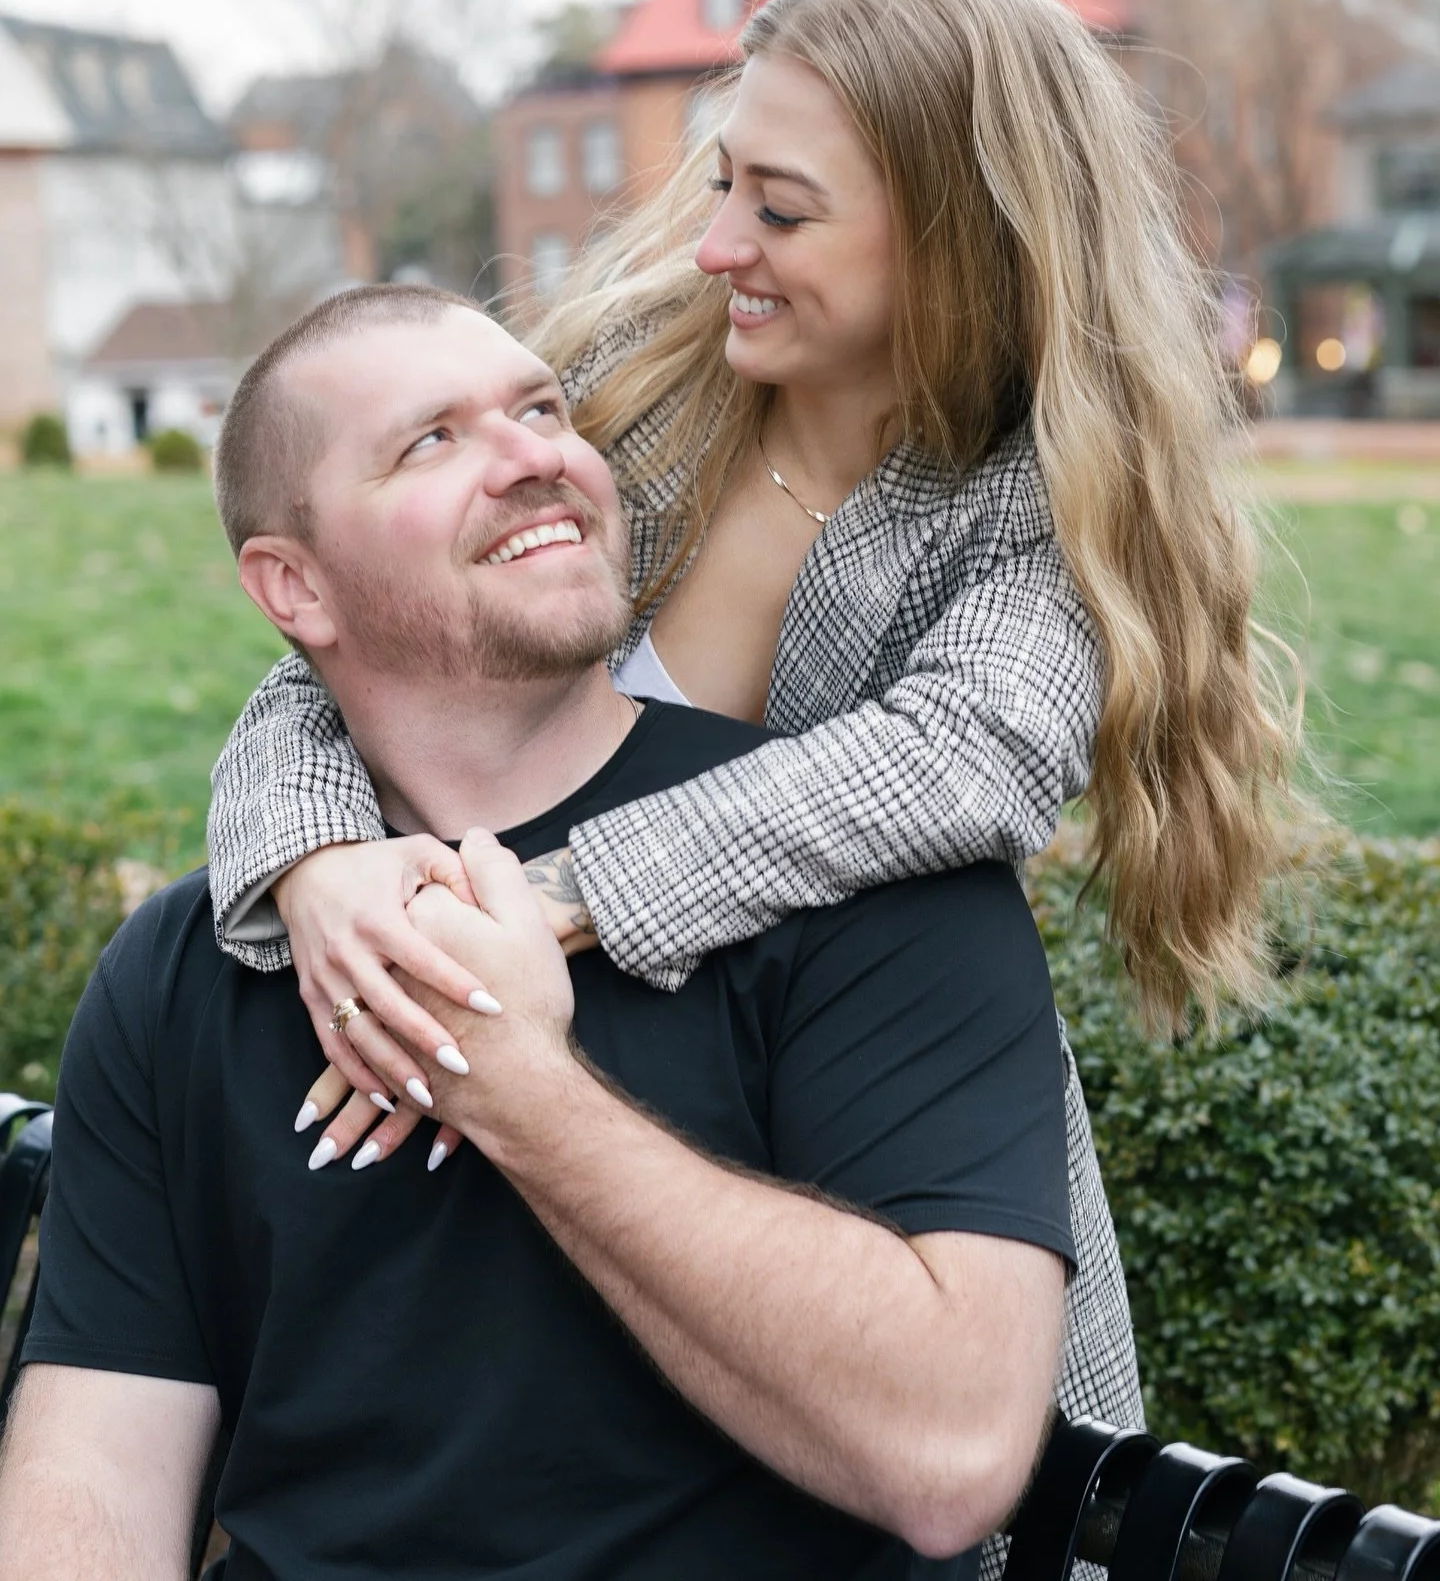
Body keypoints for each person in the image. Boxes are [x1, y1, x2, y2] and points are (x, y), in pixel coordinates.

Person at [206, 0, 1296, 1526]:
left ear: (963, 239)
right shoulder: (638, 393)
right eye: (723, 184)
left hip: (852, 1182)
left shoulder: (1035, 515)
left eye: (781, 212)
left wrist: (537, 906)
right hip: (522, 1158)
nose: (718, 244)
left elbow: (965, 757)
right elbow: (338, 636)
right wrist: (319, 869)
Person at [0, 294, 1072, 1581]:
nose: (534, 455)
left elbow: (951, 1457)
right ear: (295, 585)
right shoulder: (194, 964)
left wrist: (524, 1096)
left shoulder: (868, 885)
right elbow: (96, 1474)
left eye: (543, 409)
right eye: (432, 440)